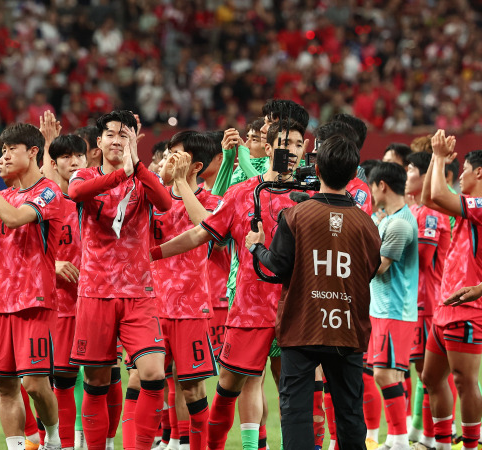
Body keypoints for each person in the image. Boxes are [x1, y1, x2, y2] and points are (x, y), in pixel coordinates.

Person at [150, 119, 307, 450]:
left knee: (299, 390)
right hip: (250, 307)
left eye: (296, 144)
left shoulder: (310, 196)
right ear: (268, 147)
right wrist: (152, 253)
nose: (290, 151)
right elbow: (201, 233)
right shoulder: (241, 193)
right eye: (283, 144)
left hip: (296, 309)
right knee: (229, 386)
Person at [244, 134, 381, 450]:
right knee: (349, 414)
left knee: (297, 412)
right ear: (352, 174)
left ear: (316, 169)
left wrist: (256, 246)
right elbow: (369, 271)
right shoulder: (367, 225)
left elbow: (276, 267)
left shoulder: (294, 215)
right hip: (347, 329)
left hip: (302, 327)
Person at [68, 110, 172, 450]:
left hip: (139, 293)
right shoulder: (82, 175)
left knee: (154, 374)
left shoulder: (144, 177)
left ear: (134, 141)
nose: (117, 140)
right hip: (95, 293)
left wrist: (136, 169)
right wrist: (119, 176)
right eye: (111, 134)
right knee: (97, 381)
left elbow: (166, 203)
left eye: (124, 134)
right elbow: (77, 194)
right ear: (98, 142)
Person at [0, 123, 63, 450]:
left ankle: (53, 439)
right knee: (5, 386)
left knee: (35, 384)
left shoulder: (49, 190)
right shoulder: (1, 195)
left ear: (33, 151)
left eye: (11, 150)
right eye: (2, 150)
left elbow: (16, 218)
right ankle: (17, 447)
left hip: (34, 301)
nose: (3, 157)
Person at [152, 131, 221, 450]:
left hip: (191, 308)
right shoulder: (152, 198)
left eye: (175, 153)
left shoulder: (213, 201)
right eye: (166, 152)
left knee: (192, 388)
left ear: (195, 166)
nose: (167, 158)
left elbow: (207, 227)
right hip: (150, 306)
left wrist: (179, 183)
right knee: (145, 382)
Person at [421, 131, 482, 450]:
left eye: (465, 170)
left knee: (465, 381)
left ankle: (472, 446)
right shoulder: (469, 208)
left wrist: (439, 157)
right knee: (431, 379)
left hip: (469, 311)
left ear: (480, 173)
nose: (461, 176)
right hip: (446, 307)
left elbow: (439, 196)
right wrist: (437, 157)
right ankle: (443, 445)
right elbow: (429, 198)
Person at [41, 133, 88, 450]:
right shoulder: (45, 201)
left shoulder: (96, 200)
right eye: (65, 156)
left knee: (100, 378)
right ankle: (55, 441)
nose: (73, 162)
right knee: (54, 380)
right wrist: (52, 264)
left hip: (94, 302)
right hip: (55, 305)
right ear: (54, 163)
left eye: (78, 156)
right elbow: (22, 250)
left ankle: (97, 441)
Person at [367, 162, 419, 450]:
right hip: (383, 310)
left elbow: (380, 268)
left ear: (382, 185)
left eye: (372, 187)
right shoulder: (388, 218)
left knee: (384, 373)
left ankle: (399, 439)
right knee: (390, 373)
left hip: (394, 310)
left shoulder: (399, 224)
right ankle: (397, 437)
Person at [404, 151, 452, 449]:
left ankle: (436, 440)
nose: (405, 175)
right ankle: (430, 439)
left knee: (432, 377)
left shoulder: (430, 214)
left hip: (429, 305)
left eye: (409, 169)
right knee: (427, 377)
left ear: (423, 176)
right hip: (421, 304)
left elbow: (422, 257)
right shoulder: (420, 211)